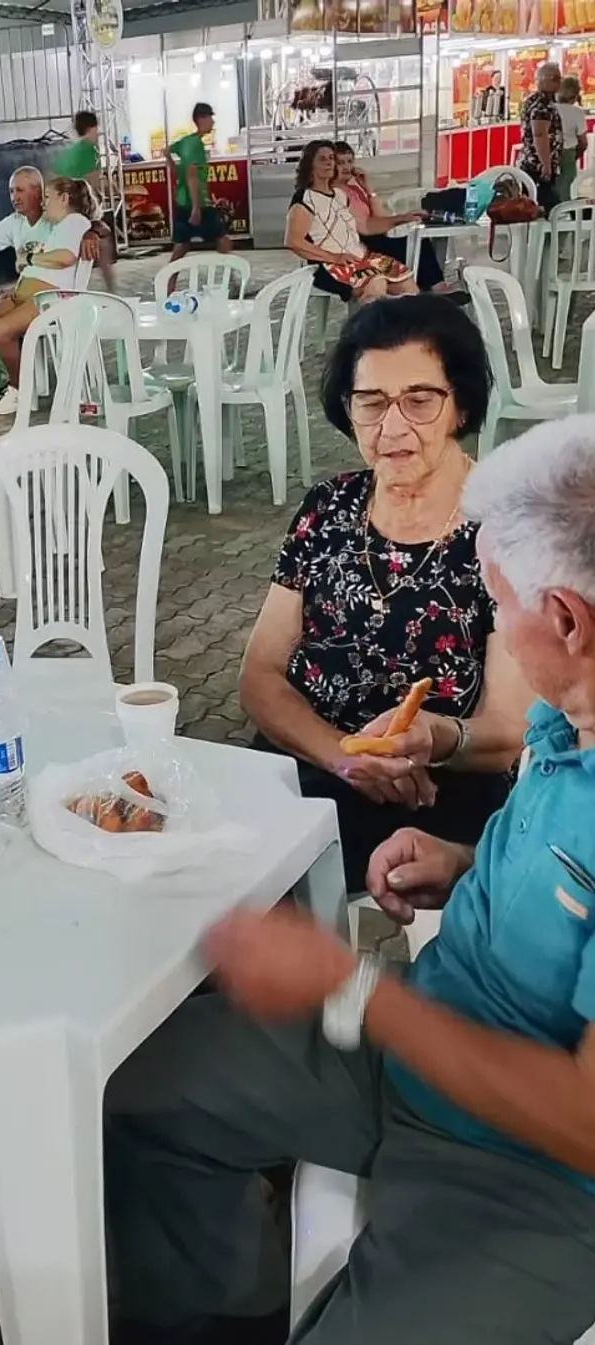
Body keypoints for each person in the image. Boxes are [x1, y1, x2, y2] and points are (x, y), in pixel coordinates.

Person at [106, 414, 595, 1345]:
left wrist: (350, 988)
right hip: (414, 1046)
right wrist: (462, 864)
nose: (489, 620)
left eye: (497, 602)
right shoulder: (569, 712)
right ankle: (217, 1314)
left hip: (539, 1174)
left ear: (567, 620)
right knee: (140, 1088)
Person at [240, 295, 531, 890]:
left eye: (420, 401)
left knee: (272, 909)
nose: (391, 428)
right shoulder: (326, 508)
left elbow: (507, 729)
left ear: (462, 404)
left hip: (434, 789)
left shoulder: (509, 528)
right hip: (310, 762)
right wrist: (345, 758)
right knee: (201, 880)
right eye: (370, 403)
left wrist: (431, 739)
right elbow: (260, 675)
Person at [0, 165, 102, 397]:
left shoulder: (60, 219)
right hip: (23, 291)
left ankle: (20, 387)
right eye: (10, 192)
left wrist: (93, 232)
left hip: (48, 296)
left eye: (19, 191)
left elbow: (90, 224)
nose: (14, 197)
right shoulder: (17, 222)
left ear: (39, 193)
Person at [285, 140, 418, 303]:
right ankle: (369, 327)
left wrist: (403, 218)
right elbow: (293, 241)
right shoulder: (305, 198)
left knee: (408, 285)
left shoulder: (340, 196)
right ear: (310, 165)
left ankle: (406, 327)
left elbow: (366, 228)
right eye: (322, 159)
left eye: (332, 158)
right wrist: (334, 257)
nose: (328, 162)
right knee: (376, 284)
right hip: (328, 265)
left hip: (361, 257)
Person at [333, 141, 464, 300]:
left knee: (418, 241)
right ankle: (432, 289)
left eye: (349, 161)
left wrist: (369, 189)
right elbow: (363, 227)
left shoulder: (354, 189)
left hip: (374, 234)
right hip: (358, 242)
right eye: (340, 163)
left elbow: (380, 216)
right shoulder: (335, 193)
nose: (346, 167)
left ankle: (435, 287)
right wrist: (401, 219)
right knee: (410, 244)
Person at [54, 110, 118, 292]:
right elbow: (94, 181)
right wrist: (107, 195)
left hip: (64, 211)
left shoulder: (70, 152)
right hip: (83, 209)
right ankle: (111, 291)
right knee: (103, 243)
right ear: (93, 128)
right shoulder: (90, 149)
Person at [167, 102, 233, 265]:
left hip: (183, 201)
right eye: (210, 117)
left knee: (181, 246)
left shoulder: (186, 141)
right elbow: (192, 176)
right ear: (200, 119)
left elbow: (167, 151)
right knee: (222, 239)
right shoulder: (195, 145)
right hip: (198, 203)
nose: (213, 122)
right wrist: (196, 208)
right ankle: (232, 278)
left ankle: (168, 283)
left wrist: (177, 171)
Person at [518, 61, 563, 213]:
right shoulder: (542, 105)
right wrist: (546, 163)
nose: (559, 82)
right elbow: (540, 134)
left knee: (530, 203)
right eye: (556, 78)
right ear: (545, 79)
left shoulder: (531, 100)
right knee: (551, 206)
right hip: (539, 164)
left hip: (530, 161)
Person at [557, 75, 588, 200]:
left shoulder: (549, 108)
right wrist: (577, 154)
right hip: (569, 151)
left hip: (549, 151)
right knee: (567, 186)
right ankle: (564, 213)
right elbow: (583, 141)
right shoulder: (577, 112)